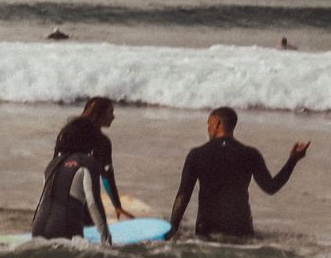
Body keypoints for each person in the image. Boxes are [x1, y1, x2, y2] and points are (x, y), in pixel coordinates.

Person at [164, 108, 309, 239]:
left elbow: (183, 196)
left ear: (217, 123)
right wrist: (293, 160)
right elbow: (271, 187)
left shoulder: (197, 154)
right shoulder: (250, 154)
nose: (208, 128)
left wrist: (172, 229)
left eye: (209, 124)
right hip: (241, 230)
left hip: (207, 230)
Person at [52, 97, 129, 218]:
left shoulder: (66, 131)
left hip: (55, 195)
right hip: (81, 200)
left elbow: (55, 164)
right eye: (110, 112)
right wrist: (117, 206)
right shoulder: (102, 141)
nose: (113, 117)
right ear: (99, 114)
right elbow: (107, 176)